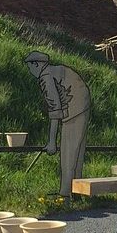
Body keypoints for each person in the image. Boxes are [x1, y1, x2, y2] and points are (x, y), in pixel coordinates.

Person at [25, 51, 90, 198]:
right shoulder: (55, 70)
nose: (30, 71)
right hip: (83, 105)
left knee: (68, 152)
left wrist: (52, 142)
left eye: (30, 67)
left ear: (36, 64)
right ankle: (77, 192)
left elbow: (55, 110)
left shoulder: (45, 77)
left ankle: (66, 194)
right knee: (77, 153)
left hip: (74, 108)